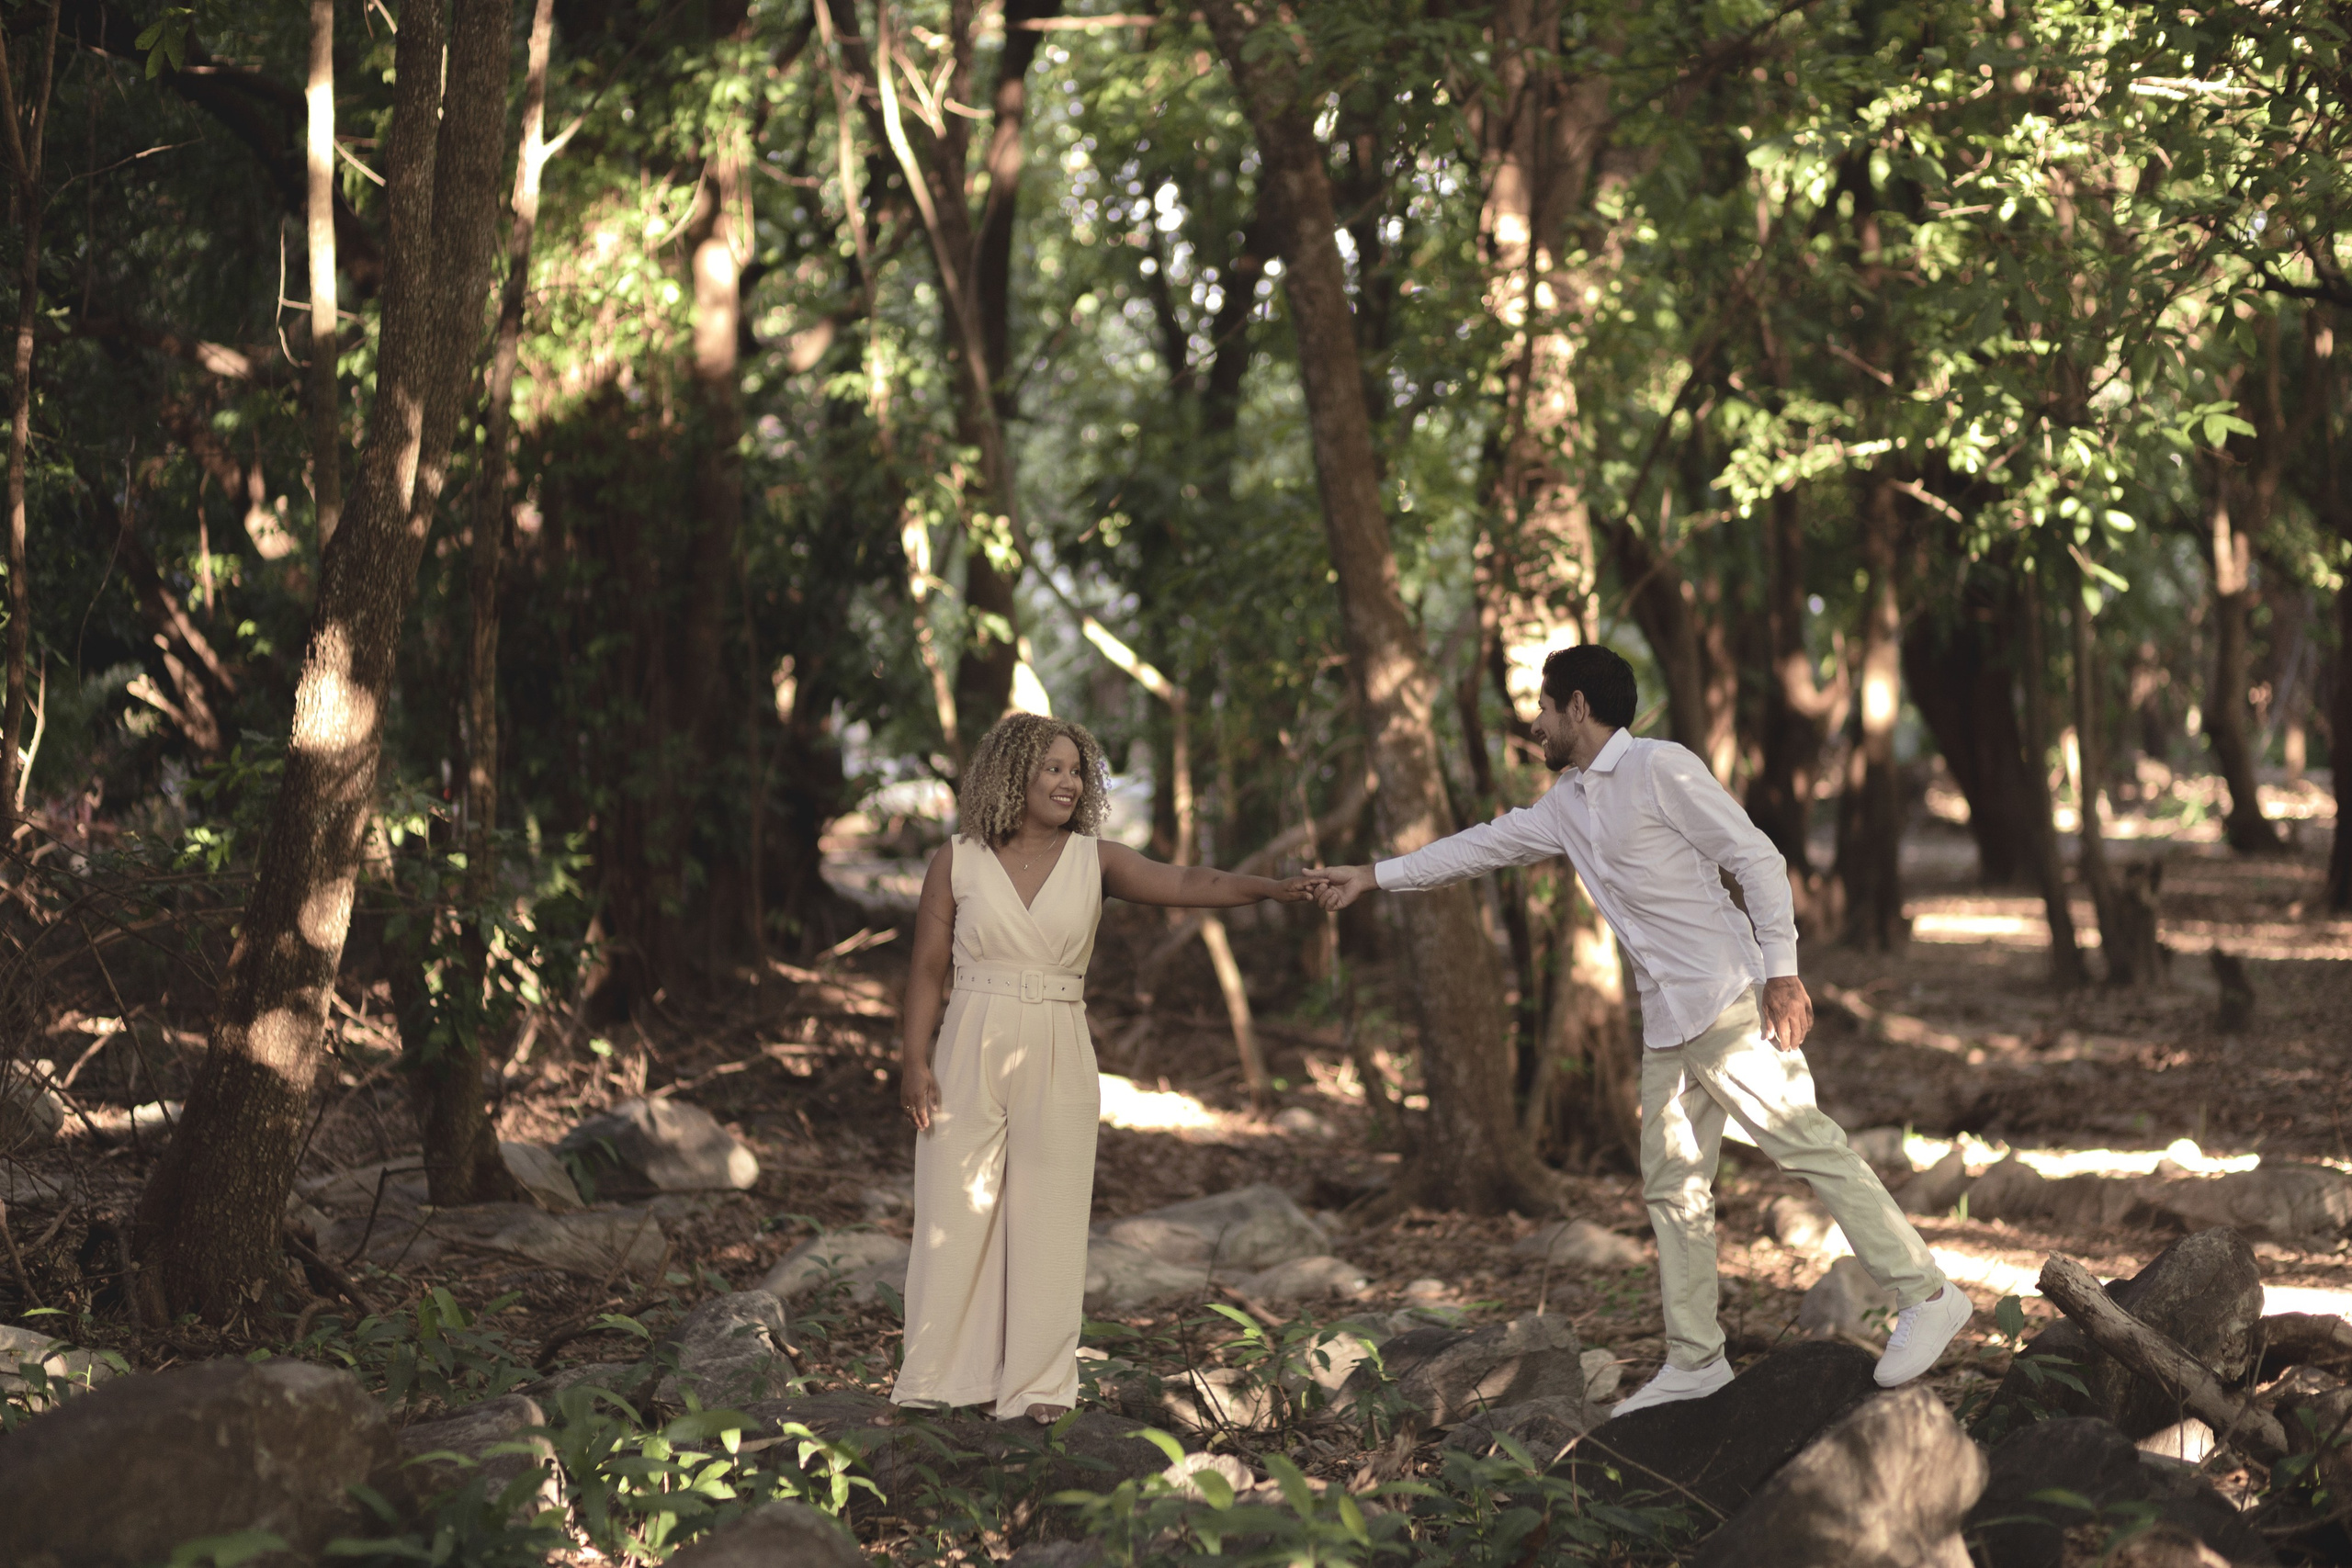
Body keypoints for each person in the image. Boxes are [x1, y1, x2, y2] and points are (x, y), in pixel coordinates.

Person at [1305, 645, 1971, 1415]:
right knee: (1673, 1186)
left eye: (1546, 707)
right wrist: (1371, 875)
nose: (1537, 720)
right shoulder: (1569, 800)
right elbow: (1480, 846)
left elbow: (1756, 856)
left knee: (1808, 1145)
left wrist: (1784, 972)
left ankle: (1926, 1291)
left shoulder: (1662, 768)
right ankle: (1696, 1359)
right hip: (1667, 1022)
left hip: (1728, 998)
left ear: (1579, 708)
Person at [894, 710, 1313, 1421]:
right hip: (968, 1034)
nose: (1067, 781)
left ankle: (1038, 1388)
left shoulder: (1098, 859)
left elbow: (1190, 881)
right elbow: (927, 967)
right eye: (1051, 767)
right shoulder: (957, 859)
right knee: (950, 1210)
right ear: (1011, 772)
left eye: (1075, 769)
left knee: (1050, 1214)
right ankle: (934, 1380)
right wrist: (911, 1057)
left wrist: (1269, 888)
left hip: (1058, 1039)